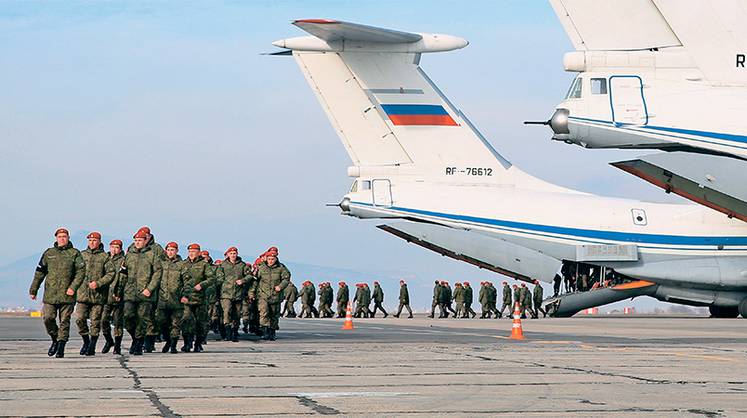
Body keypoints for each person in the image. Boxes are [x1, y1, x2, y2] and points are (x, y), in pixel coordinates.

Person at [29, 228, 85, 358]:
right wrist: (34, 289)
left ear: (68, 238)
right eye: (60, 236)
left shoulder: (74, 254)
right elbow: (40, 272)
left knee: (64, 321)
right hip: (51, 294)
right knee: (48, 318)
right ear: (56, 238)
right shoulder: (49, 253)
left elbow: (81, 272)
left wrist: (73, 287)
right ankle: (54, 338)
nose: (62, 239)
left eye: (64, 236)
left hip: (67, 294)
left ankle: (61, 346)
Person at [122, 229, 162, 355]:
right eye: (136, 240)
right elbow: (123, 273)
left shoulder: (152, 255)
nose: (137, 243)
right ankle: (135, 338)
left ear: (146, 241)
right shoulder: (129, 254)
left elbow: (158, 273)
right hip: (130, 292)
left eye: (140, 240)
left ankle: (139, 343)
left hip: (145, 294)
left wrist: (150, 289)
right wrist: (118, 291)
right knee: (128, 317)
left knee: (142, 319)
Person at [76, 231, 112, 356]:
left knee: (95, 321)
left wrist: (99, 283)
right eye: (90, 240)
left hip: (98, 296)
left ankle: (92, 344)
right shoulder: (81, 255)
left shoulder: (104, 257)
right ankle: (86, 340)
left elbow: (111, 274)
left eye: (95, 240)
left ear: (99, 242)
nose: (92, 242)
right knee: (80, 319)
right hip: (82, 294)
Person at [249, 247, 290, 341]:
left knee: (274, 314)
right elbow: (255, 281)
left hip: (276, 295)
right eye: (269, 259)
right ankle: (265, 331)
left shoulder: (281, 268)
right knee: (264, 313)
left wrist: (281, 286)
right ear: (266, 259)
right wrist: (252, 293)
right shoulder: (261, 268)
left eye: (273, 259)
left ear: (276, 259)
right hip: (263, 294)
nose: (271, 261)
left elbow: (286, 279)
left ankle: (272, 331)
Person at [157, 242, 190, 353]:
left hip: (176, 299)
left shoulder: (182, 265)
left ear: (176, 251)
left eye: (173, 250)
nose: (170, 252)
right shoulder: (160, 263)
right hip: (162, 299)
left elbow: (187, 282)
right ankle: (168, 340)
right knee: (162, 322)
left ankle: (173, 345)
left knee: (176, 324)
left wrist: (185, 295)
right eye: (169, 250)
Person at [180, 243, 215, 353]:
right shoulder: (183, 264)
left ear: (199, 252)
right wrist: (181, 295)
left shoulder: (204, 265)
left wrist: (202, 285)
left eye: (194, 251)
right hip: (186, 298)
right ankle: (187, 343)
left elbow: (211, 278)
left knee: (201, 323)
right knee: (186, 320)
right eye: (190, 251)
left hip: (200, 299)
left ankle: (198, 344)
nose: (192, 253)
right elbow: (178, 281)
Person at [219, 247, 251, 342]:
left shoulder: (242, 265)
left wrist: (243, 280)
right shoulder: (222, 265)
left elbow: (249, 275)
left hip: (238, 293)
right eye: (231, 253)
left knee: (237, 314)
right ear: (228, 254)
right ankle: (227, 331)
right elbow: (218, 277)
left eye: (234, 253)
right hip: (226, 294)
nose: (233, 255)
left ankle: (234, 331)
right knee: (226, 312)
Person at [101, 239, 126, 354]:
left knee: (117, 322)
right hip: (105, 296)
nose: (114, 249)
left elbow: (123, 278)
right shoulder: (105, 259)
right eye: (112, 247)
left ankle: (117, 346)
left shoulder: (123, 261)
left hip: (118, 297)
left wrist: (119, 293)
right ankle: (109, 340)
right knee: (103, 320)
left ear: (120, 249)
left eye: (117, 247)